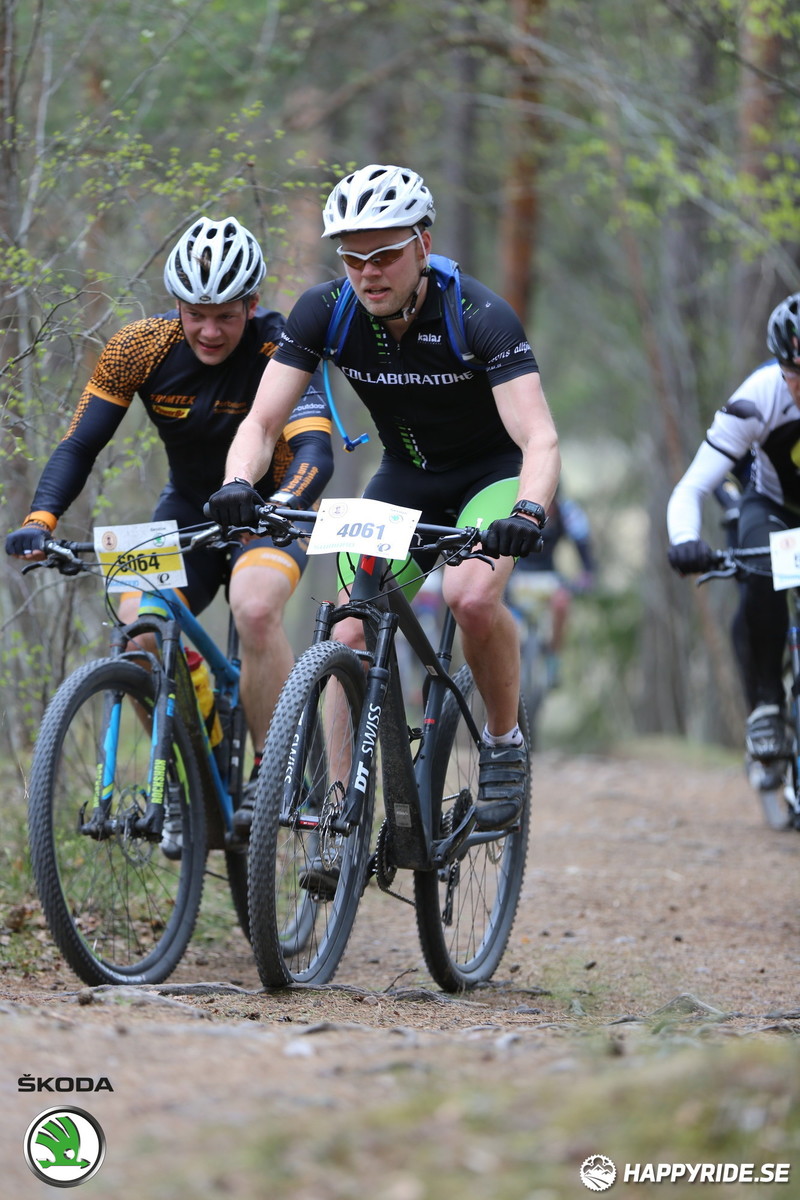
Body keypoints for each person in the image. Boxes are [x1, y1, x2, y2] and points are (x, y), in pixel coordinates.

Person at [207, 164, 561, 833]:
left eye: (386, 254)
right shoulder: (327, 310)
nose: (368, 271)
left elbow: (540, 438)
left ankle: (505, 742)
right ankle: (342, 811)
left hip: (491, 477)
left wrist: (529, 513)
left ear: (423, 246)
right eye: (352, 257)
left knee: (471, 596)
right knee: (348, 624)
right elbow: (259, 424)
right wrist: (235, 482)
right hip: (404, 477)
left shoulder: (476, 313)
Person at [6, 215, 334, 835]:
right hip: (186, 509)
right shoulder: (139, 347)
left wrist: (284, 505)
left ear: (252, 306)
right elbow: (80, 444)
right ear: (176, 305)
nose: (210, 330)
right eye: (196, 313)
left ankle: (277, 771)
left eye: (227, 316)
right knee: (138, 634)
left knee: (256, 606)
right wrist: (40, 520)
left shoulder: (279, 345)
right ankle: (192, 773)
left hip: (275, 508)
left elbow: (315, 450)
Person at [667, 292, 800, 780]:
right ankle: (767, 703)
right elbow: (692, 487)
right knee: (763, 567)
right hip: (775, 510)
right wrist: (685, 538)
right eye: (795, 376)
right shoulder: (759, 396)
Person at [506, 487, 595, 688]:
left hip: (548, 578)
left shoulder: (568, 511)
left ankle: (553, 659)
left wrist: (587, 573)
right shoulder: (515, 506)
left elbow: (582, 542)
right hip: (516, 579)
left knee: (562, 602)